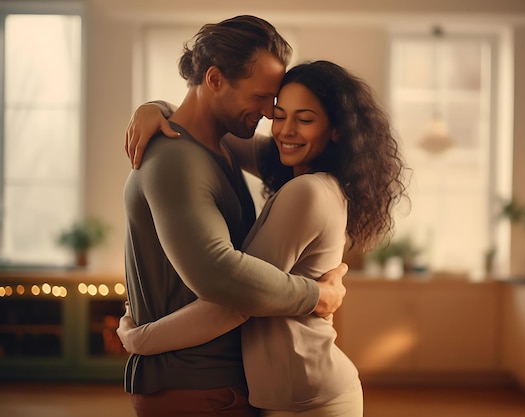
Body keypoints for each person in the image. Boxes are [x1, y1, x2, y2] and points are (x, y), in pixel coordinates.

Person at [120, 60, 408, 417]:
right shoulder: (297, 169)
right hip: (286, 393)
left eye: (304, 120)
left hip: (310, 397)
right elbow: (205, 124)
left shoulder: (307, 192)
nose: (286, 131)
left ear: (336, 129)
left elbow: (236, 302)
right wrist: (154, 110)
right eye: (278, 115)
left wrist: (140, 340)